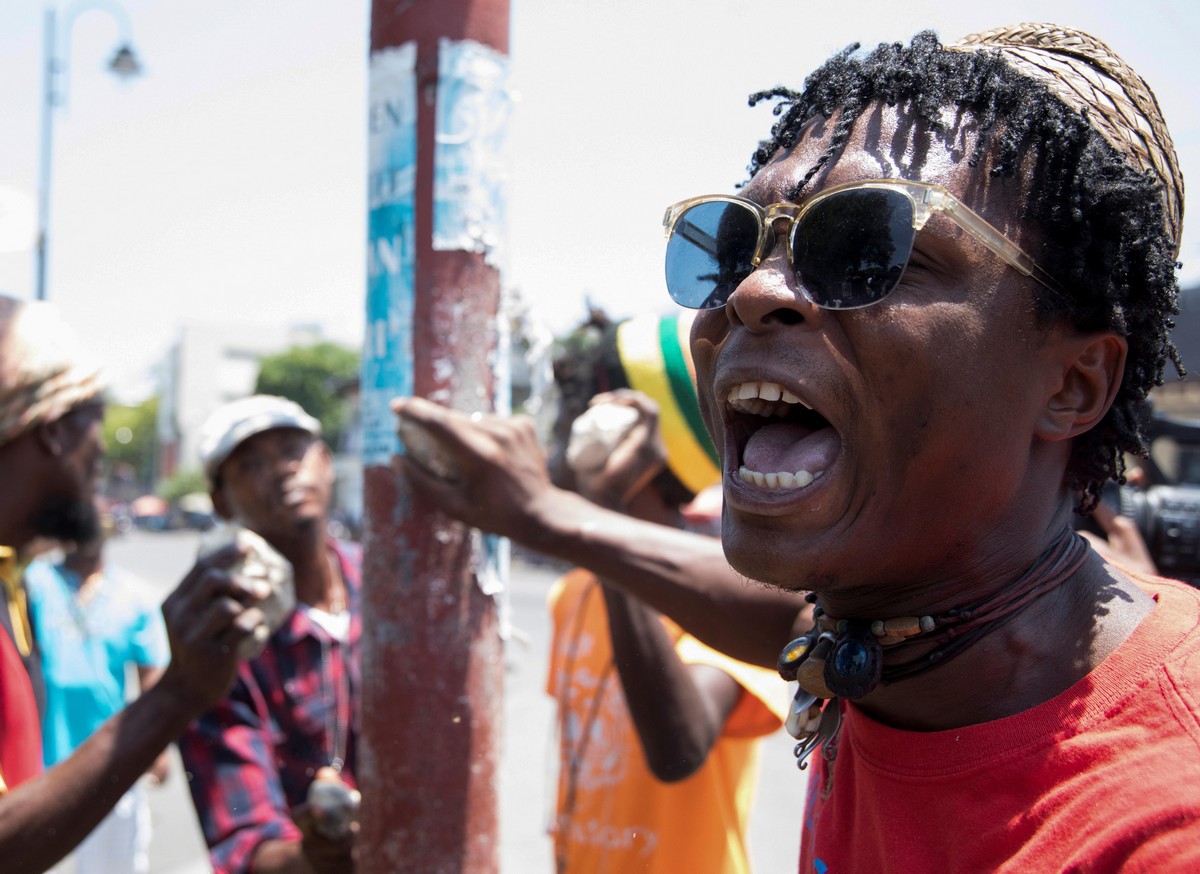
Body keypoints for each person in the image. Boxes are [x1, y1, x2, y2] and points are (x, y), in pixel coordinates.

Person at [396, 21, 1200, 872]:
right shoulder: (896, 636)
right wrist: (542, 514)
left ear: (1073, 383)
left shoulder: (1158, 824)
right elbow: (788, 625)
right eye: (734, 246)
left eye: (865, 248)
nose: (751, 290)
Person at [399, 311, 795, 873]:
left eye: (567, 416)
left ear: (607, 437)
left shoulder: (730, 591)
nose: (551, 439)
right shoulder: (571, 593)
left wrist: (597, 515)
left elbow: (679, 750)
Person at [0, 294, 267, 874]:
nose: (102, 446)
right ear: (53, 429)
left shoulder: (13, 579)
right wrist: (177, 695)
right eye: (95, 415)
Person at [179, 394, 360, 874]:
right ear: (221, 501)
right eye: (253, 465)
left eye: (292, 452)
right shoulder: (223, 640)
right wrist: (312, 855)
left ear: (325, 462)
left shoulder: (386, 587)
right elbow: (244, 840)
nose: (281, 472)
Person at [24, 500, 171, 874]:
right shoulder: (36, 581)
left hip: (109, 762)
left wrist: (157, 747)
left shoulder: (132, 596)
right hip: (42, 759)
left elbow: (151, 676)